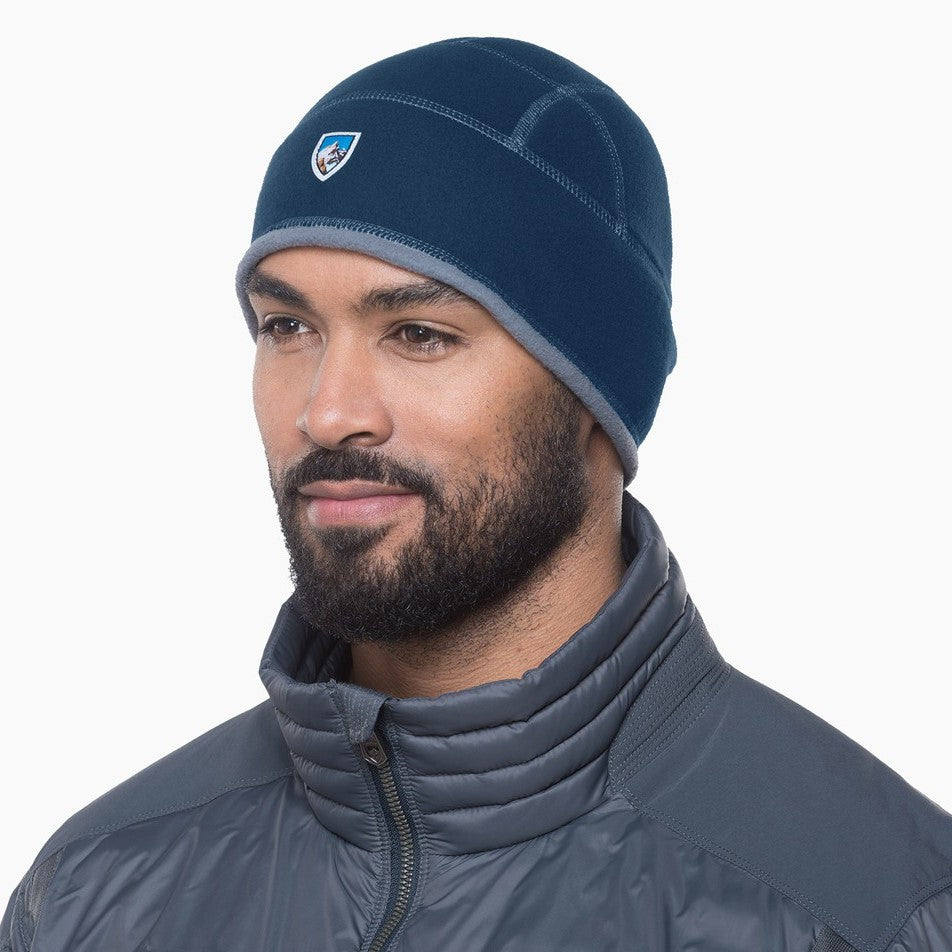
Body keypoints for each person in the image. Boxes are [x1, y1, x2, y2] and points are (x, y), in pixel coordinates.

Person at [3, 36, 950, 952]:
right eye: (287, 327)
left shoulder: (860, 913)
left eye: (419, 334)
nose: (327, 413)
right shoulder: (92, 894)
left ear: (593, 390)